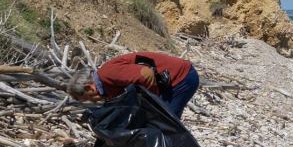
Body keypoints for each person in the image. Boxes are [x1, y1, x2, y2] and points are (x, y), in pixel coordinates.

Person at [67, 52, 200, 119]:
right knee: (157, 121)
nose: (92, 101)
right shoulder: (106, 86)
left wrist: (153, 103)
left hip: (182, 77)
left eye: (88, 98)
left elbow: (145, 74)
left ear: (89, 88)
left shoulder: (108, 74)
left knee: (165, 121)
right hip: (171, 81)